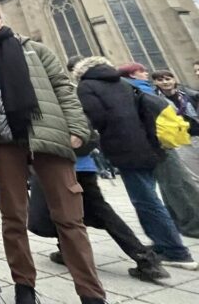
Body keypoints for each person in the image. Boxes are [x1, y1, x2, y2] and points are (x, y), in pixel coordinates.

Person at [0, 3, 106, 304]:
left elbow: (62, 86)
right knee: (13, 217)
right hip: (6, 142)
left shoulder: (33, 49)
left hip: (47, 136)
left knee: (70, 218)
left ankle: (90, 291)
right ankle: (24, 286)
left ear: (2, 18)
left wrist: (76, 127)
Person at [28, 58, 168, 283]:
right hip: (79, 162)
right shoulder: (71, 90)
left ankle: (145, 258)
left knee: (70, 210)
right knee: (70, 210)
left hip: (64, 161)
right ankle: (68, 250)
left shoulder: (54, 93)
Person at [76, 57, 197, 270]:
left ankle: (175, 251)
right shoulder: (123, 83)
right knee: (151, 196)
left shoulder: (87, 86)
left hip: (125, 147)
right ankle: (165, 243)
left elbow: (95, 117)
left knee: (146, 200)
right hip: (149, 145)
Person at [119, 63, 199, 239]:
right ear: (132, 75)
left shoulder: (141, 90)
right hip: (163, 142)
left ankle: (181, 222)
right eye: (142, 71)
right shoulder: (138, 91)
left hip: (169, 140)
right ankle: (191, 225)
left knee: (172, 184)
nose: (146, 73)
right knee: (179, 183)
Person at [152, 69, 199, 184]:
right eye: (160, 80)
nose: (165, 82)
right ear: (155, 83)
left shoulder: (191, 95)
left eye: (168, 79)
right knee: (194, 174)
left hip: (196, 134)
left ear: (174, 80)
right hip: (180, 141)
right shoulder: (155, 100)